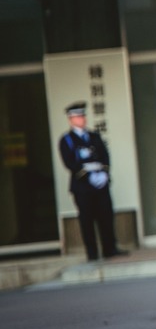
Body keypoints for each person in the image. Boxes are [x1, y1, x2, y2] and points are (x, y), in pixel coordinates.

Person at [57, 101, 128, 262]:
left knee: (106, 216)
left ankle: (110, 248)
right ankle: (92, 253)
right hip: (82, 187)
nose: (82, 119)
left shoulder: (94, 136)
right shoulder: (67, 140)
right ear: (71, 119)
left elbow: (104, 156)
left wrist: (103, 173)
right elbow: (69, 163)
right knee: (87, 219)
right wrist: (86, 174)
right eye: (78, 116)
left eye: (83, 116)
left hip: (100, 184)